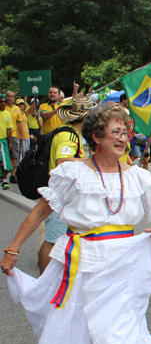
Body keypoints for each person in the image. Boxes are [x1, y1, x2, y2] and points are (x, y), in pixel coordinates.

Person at [1, 103, 151, 344]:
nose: (124, 138)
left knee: (117, 329)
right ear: (96, 136)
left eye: (127, 132)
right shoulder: (74, 172)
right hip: (82, 261)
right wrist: (13, 248)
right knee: (75, 328)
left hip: (124, 265)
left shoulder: (139, 177)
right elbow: (40, 211)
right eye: (117, 132)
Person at [37, 97, 92, 274]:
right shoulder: (69, 135)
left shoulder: (69, 133)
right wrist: (89, 161)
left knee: (56, 238)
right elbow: (62, 160)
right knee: (53, 239)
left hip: (61, 193)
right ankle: (45, 280)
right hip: (59, 194)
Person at [5, 90, 24, 183]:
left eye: (12, 96)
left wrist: (21, 135)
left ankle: (13, 175)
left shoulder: (17, 109)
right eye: (8, 96)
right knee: (4, 155)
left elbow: (19, 122)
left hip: (13, 134)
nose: (10, 98)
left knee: (14, 155)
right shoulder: (3, 108)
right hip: (3, 134)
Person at [0, 93, 13, 189]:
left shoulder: (8, 113)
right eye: (1, 101)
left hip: (3, 140)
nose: (3, 103)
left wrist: (10, 142)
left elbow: (9, 129)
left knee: (4, 161)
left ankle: (5, 180)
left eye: (5, 101)